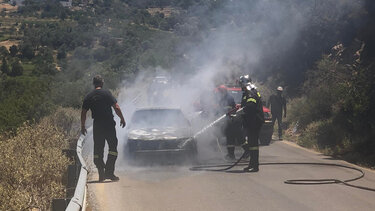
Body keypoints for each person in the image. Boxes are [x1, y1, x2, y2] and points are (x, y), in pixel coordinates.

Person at [81, 75, 126, 182]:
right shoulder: (107, 94)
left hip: (97, 125)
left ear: (93, 84)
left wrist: (82, 126)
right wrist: (122, 119)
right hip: (109, 125)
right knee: (113, 149)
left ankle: (101, 172)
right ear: (102, 83)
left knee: (98, 150)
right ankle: (109, 173)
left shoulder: (89, 96)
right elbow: (116, 107)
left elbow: (83, 112)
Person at [239, 75, 264, 172]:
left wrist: (241, 111)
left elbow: (250, 105)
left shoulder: (250, 92)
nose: (241, 86)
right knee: (251, 144)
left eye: (241, 83)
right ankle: (252, 164)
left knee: (253, 145)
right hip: (252, 121)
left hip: (254, 121)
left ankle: (255, 166)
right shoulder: (250, 91)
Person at [216, 85, 237, 161]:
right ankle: (230, 154)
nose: (219, 93)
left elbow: (229, 110)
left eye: (220, 91)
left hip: (230, 121)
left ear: (223, 91)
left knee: (231, 138)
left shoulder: (229, 98)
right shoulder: (223, 98)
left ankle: (231, 155)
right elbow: (220, 110)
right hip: (226, 121)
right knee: (229, 139)